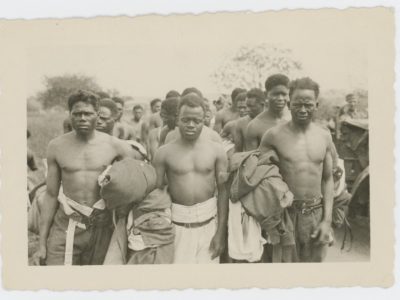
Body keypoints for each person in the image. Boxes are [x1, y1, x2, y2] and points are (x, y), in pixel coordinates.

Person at [32, 90, 135, 266]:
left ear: (97, 115)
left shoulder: (117, 147)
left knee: (98, 286)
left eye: (88, 113)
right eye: (77, 113)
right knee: (59, 284)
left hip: (103, 227)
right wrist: (42, 243)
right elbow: (50, 195)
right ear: (70, 115)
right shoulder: (56, 146)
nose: (82, 118)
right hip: (66, 225)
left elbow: (132, 190)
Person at [258, 77, 334, 262]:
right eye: (297, 104)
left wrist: (326, 221)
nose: (302, 110)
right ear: (289, 103)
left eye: (308, 105)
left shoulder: (324, 136)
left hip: (316, 215)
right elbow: (259, 179)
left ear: (316, 104)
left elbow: (328, 179)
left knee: (314, 276)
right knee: (283, 274)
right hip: (285, 215)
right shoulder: (273, 136)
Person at [153, 93, 229, 263]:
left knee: (208, 284)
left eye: (197, 121)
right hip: (175, 227)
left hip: (209, 225)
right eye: (186, 120)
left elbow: (224, 192)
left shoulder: (217, 150)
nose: (191, 125)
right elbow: (155, 194)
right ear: (177, 119)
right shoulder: (163, 153)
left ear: (206, 121)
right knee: (177, 283)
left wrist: (220, 233)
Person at [245, 74, 291, 150]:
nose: (280, 98)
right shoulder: (254, 126)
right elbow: (251, 159)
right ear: (266, 95)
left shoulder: (296, 119)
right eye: (275, 94)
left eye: (284, 94)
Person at [234, 88, 265, 152]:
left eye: (251, 106)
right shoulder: (241, 123)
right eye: (247, 106)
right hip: (249, 158)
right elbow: (237, 151)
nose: (247, 109)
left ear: (262, 105)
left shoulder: (272, 121)